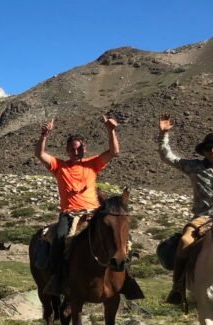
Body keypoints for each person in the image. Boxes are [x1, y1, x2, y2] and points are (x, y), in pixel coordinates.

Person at [35, 114, 138, 298]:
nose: (76, 152)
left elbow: (114, 151)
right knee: (59, 239)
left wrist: (111, 130)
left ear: (85, 149)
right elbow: (40, 154)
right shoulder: (59, 166)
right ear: (67, 150)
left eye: (79, 149)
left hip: (94, 213)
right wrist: (44, 135)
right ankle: (57, 279)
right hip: (70, 215)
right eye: (73, 149)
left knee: (123, 239)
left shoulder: (92, 164)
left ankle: (126, 279)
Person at [157, 113, 213, 305]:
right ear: (203, 152)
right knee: (185, 241)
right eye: (209, 148)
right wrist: (164, 135)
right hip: (203, 218)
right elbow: (168, 157)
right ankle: (177, 287)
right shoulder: (194, 167)